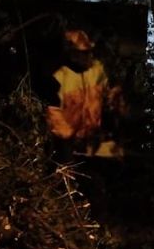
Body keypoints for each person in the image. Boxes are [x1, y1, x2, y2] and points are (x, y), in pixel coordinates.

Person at [43, 29, 125, 161]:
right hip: (68, 146)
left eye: (90, 52)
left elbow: (108, 95)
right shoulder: (59, 77)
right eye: (85, 53)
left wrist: (114, 96)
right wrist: (69, 137)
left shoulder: (96, 71)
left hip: (93, 141)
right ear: (72, 54)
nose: (90, 56)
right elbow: (53, 114)